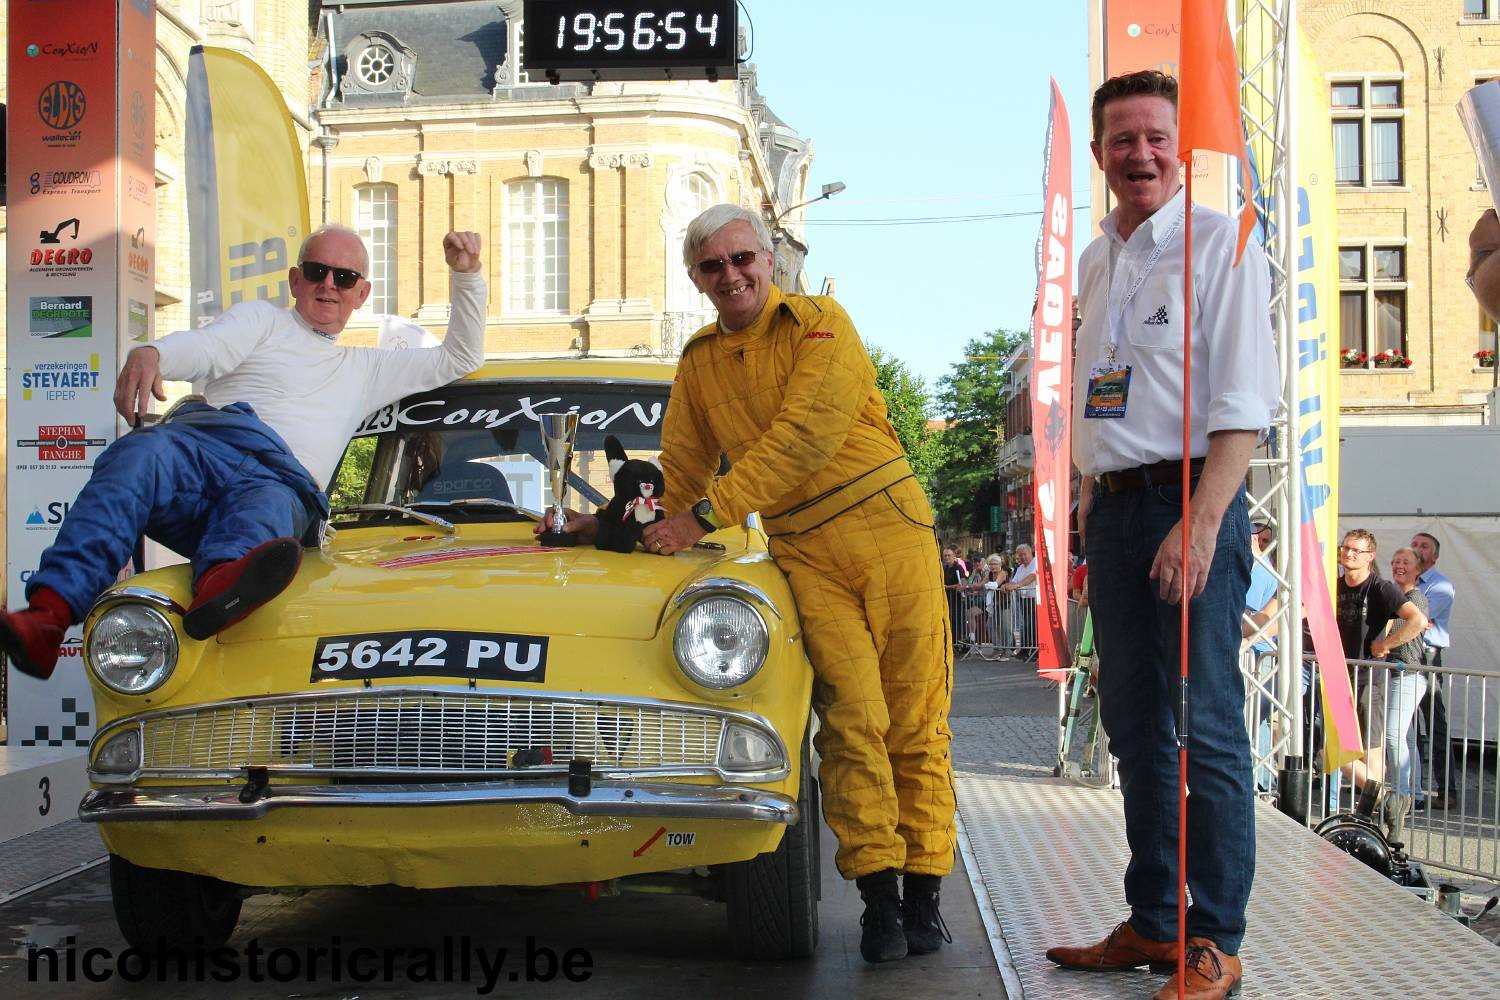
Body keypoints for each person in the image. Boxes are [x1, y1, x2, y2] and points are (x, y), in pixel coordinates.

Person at [539, 204, 954, 964]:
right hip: (803, 550)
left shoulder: (822, 321)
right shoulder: (697, 361)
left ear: (769, 260)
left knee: (914, 719)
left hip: (889, 526)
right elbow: (683, 473)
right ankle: (879, 899)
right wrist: (606, 527)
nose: (731, 275)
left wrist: (707, 514)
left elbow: (806, 436)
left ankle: (927, 891)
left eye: (742, 260)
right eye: (712, 266)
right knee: (851, 721)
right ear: (696, 278)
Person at [0, 226, 487, 678]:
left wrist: (466, 275)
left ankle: (222, 591)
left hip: (277, 483)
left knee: (269, 508)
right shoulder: (261, 320)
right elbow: (209, 347)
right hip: (208, 446)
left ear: (361, 294)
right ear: (296, 280)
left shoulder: (367, 368)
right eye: (317, 272)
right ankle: (49, 615)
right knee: (139, 453)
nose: (329, 286)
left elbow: (460, 357)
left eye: (344, 278)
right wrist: (155, 354)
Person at [1044, 70, 1279, 1000]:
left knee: (1210, 728)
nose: (1138, 154)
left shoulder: (1222, 246)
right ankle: (1154, 922)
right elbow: (1107, 399)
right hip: (1120, 507)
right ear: (1099, 153)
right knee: (1136, 732)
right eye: (1121, 140)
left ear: (1179, 146)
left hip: (1192, 504)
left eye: (1155, 137)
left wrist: (1202, 520)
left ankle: (1215, 937)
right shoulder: (1098, 260)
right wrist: (1092, 510)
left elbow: (1243, 407)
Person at [1333, 529, 1428, 799]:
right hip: (1338, 676)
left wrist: (1386, 644)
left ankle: (1376, 809)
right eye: (1345, 548)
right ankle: (1384, 803)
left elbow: (1418, 620)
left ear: (1369, 556)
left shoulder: (1380, 588)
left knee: (1373, 749)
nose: (1348, 553)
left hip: (1369, 679)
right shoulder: (1334, 584)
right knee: (1334, 751)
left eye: (1356, 550)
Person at [1381, 547, 1431, 841]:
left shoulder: (1415, 598)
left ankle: (1399, 796)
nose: (1399, 566)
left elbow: (1418, 625)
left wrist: (1385, 643)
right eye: (1396, 561)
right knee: (1407, 736)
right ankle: (1414, 791)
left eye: (1406, 562)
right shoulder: (1393, 597)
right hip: (1397, 673)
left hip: (1408, 673)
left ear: (1417, 570)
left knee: (1393, 735)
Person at [1410, 530, 1456, 810]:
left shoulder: (1441, 585)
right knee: (1406, 725)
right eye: (1414, 544)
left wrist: (1407, 618)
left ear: (1434, 556)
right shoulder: (1403, 581)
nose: (1417, 548)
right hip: (1404, 652)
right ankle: (1412, 787)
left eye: (1424, 546)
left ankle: (1446, 789)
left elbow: (1418, 619)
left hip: (1427, 656)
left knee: (1434, 722)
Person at [1001, 543, 1038, 657]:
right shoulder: (1021, 567)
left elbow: (1032, 576)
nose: (1022, 557)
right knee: (1025, 625)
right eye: (1020, 555)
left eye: (1024, 554)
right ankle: (1025, 649)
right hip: (1024, 599)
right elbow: (1014, 580)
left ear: (1030, 553)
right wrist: (1005, 585)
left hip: (1035, 598)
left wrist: (1017, 585)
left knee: (1032, 625)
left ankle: (1033, 651)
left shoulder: (1036, 562)